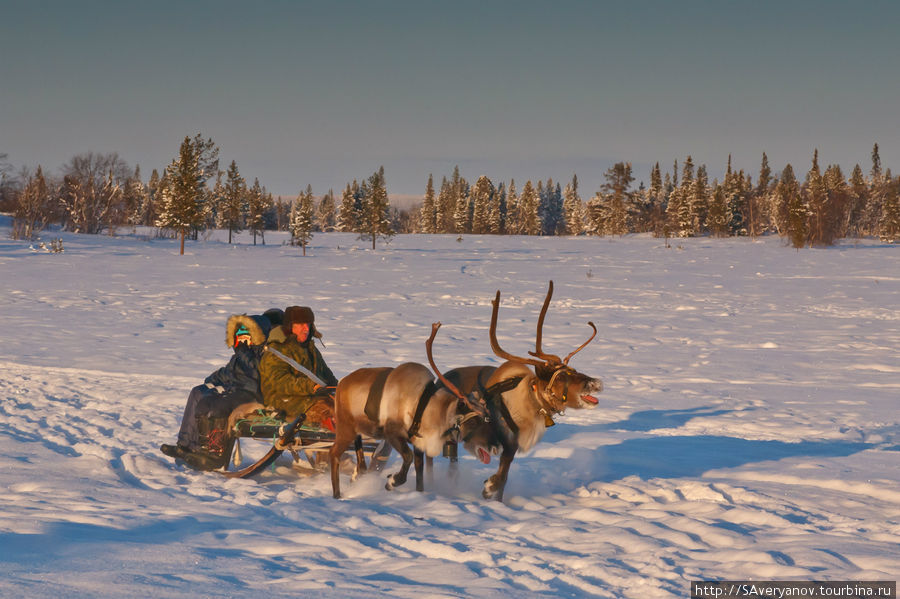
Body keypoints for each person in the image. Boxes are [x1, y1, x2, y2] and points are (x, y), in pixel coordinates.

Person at [160, 309, 283, 470]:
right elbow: (231, 370)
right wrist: (213, 380)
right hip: (233, 385)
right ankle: (184, 446)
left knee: (211, 404)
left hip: (248, 393)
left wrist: (242, 351)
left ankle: (208, 450)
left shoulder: (264, 352)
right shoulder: (246, 352)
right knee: (197, 392)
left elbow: (253, 373)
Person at [259, 305, 338, 422]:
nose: (306, 329)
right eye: (301, 324)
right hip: (280, 400)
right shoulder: (277, 349)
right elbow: (279, 382)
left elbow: (327, 375)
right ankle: (342, 438)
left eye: (308, 324)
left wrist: (339, 390)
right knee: (327, 410)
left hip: (309, 396)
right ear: (289, 326)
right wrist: (310, 386)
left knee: (347, 406)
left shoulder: (310, 348)